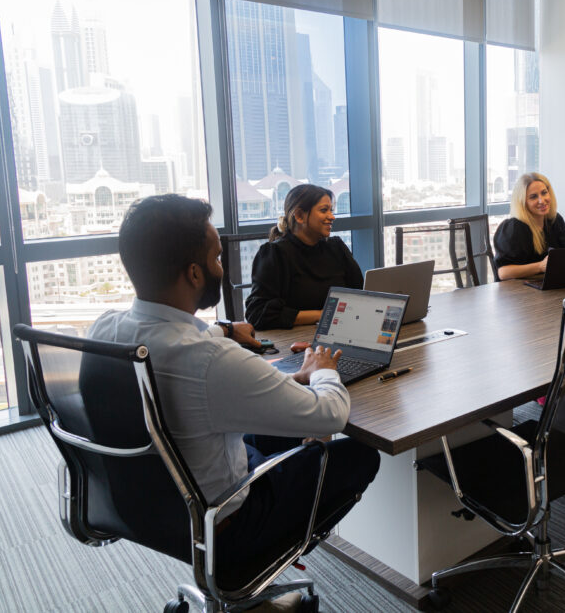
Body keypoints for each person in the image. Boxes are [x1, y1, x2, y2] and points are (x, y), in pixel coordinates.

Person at [89, 194, 380, 598]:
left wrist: (222, 329)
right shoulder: (211, 362)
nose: (221, 269)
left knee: (273, 431)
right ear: (194, 273)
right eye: (217, 259)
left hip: (145, 507)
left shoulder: (104, 332)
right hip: (224, 525)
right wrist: (323, 371)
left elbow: (175, 337)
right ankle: (264, 556)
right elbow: (330, 414)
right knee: (359, 453)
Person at [246, 184, 362, 330]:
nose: (332, 217)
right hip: (292, 339)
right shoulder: (275, 254)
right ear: (300, 216)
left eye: (331, 210)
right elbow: (257, 313)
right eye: (324, 210)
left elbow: (360, 294)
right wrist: (322, 315)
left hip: (340, 331)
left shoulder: (336, 248)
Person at [493, 172, 565, 280]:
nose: (542, 200)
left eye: (544, 193)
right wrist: (540, 266)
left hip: (548, 284)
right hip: (518, 292)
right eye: (533, 197)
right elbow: (504, 273)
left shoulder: (555, 220)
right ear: (523, 202)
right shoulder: (513, 227)